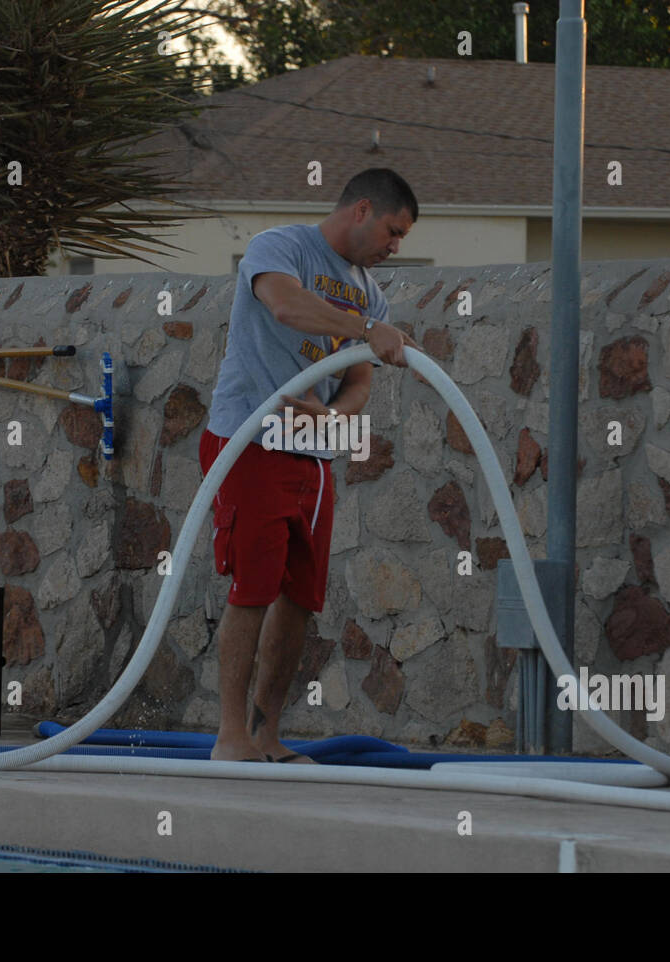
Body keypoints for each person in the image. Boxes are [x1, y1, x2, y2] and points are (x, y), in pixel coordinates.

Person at [199, 168, 419, 762]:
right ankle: (230, 738)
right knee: (253, 588)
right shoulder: (282, 247)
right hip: (249, 439)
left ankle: (267, 735)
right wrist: (368, 330)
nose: (396, 247)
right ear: (363, 210)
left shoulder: (371, 292)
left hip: (311, 454)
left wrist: (331, 417)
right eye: (393, 232)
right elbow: (284, 306)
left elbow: (357, 385)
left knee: (299, 597)